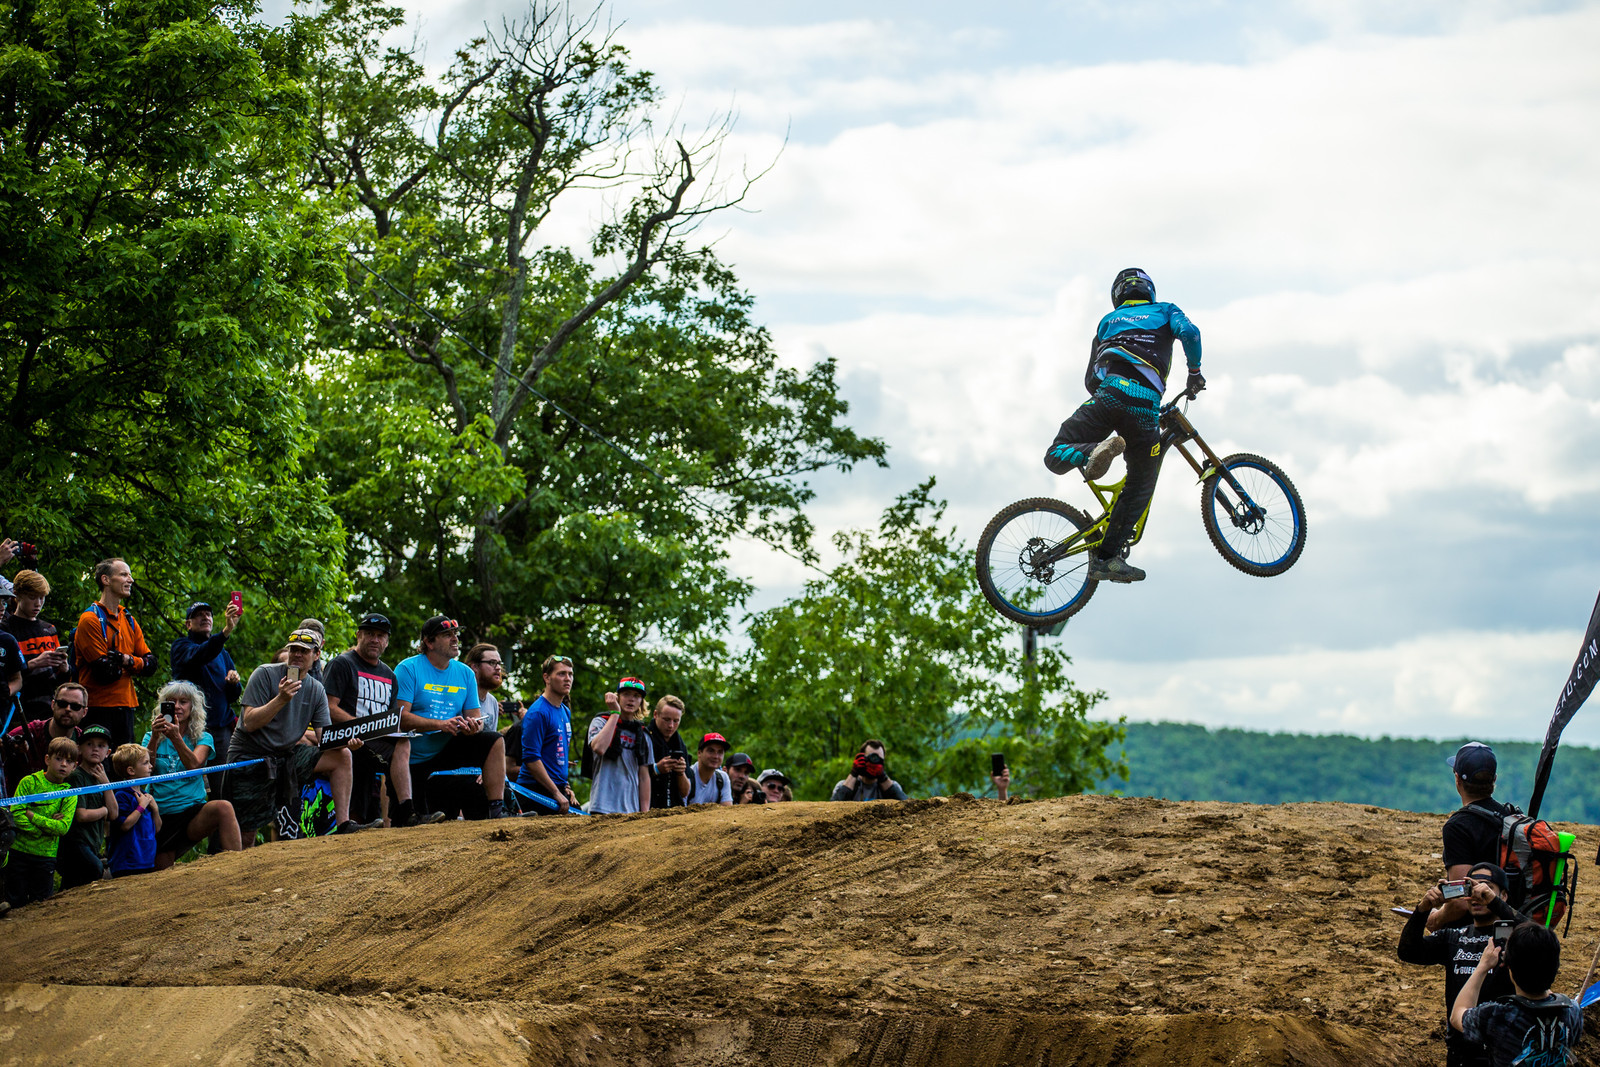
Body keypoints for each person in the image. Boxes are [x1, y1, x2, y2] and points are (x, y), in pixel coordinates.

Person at [1042, 267, 1202, 583]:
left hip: (1108, 396)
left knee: (1055, 453)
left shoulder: (1107, 321)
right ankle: (1107, 559)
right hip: (1144, 407)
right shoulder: (1165, 310)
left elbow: (1092, 379)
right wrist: (1194, 373)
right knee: (1141, 483)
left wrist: (1112, 404)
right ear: (1149, 290)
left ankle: (1092, 451)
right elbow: (1190, 333)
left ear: (1118, 296)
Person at [225, 626, 365, 841]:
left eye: (304, 651)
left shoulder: (316, 689)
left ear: (316, 655)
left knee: (342, 756)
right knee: (247, 834)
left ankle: (343, 824)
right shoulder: (264, 673)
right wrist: (281, 699)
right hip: (250, 757)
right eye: (294, 649)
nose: (298, 654)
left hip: (286, 756)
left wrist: (347, 742)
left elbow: (324, 738)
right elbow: (249, 723)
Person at [1399, 864, 1523, 1067]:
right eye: (1472, 889)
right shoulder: (1454, 936)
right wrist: (1423, 909)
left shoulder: (1516, 938)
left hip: (1503, 1050)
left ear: (1504, 895)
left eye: (1486, 888)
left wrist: (1495, 903)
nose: (1478, 895)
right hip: (1461, 1051)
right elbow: (1408, 951)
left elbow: (1542, 939)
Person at [324, 612, 436, 827]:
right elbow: (329, 708)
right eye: (369, 634)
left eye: (380, 635)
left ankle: (406, 812)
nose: (375, 639)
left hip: (375, 739)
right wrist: (362, 726)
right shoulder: (342, 664)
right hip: (343, 737)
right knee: (395, 749)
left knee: (403, 742)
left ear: (387, 641)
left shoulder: (389, 675)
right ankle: (402, 813)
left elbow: (392, 718)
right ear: (358, 635)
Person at [395, 616, 507, 820]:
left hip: (447, 748)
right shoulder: (408, 668)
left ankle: (497, 810)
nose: (455, 639)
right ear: (429, 642)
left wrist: (473, 726)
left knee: (494, 740)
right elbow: (400, 718)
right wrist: (441, 724)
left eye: (455, 634)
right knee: (409, 823)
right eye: (447, 635)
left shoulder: (465, 673)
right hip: (412, 756)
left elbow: (476, 718)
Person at [141, 680, 242, 866]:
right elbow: (145, 771)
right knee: (160, 872)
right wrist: (155, 737)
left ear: (192, 707)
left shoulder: (203, 737)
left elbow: (194, 765)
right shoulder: (150, 736)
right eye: (172, 702)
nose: (177, 706)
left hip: (192, 810)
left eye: (183, 701)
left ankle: (237, 866)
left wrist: (176, 738)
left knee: (224, 807)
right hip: (161, 814)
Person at [1452, 923, 1583, 1066]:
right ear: (1556, 965)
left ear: (1509, 966)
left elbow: (1457, 1014)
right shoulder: (1572, 1010)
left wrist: (1482, 967)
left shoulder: (1497, 1016)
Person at [71, 558, 156, 746]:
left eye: (130, 575)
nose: (131, 580)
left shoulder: (128, 619)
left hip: (126, 706)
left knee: (126, 761)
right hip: (97, 708)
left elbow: (151, 665)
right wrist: (135, 664)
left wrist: (125, 660)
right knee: (98, 761)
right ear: (106, 580)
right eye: (124, 574)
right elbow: (106, 672)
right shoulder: (90, 619)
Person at [1434, 742, 1511, 930]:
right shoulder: (1510, 817)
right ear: (1494, 780)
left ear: (1457, 779)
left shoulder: (1457, 826)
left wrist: (1434, 919)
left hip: (1476, 930)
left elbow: (1461, 900)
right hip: (1511, 921)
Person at [2, 736, 79, 912]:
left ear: (74, 766)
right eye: (58, 758)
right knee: (15, 905)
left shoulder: (70, 793)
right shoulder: (29, 782)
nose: (63, 764)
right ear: (47, 759)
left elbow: (62, 828)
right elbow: (16, 815)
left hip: (46, 857)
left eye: (69, 761)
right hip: (19, 852)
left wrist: (32, 815)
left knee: (42, 907)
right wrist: (42, 830)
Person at [169, 600, 244, 766]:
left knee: (221, 778)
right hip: (191, 729)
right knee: (191, 775)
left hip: (220, 729)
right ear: (188, 624)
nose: (205, 617)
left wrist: (233, 682)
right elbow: (201, 654)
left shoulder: (222, 653)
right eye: (198, 615)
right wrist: (226, 631)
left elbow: (233, 696)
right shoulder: (181, 646)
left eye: (208, 614)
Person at [2, 569, 69, 722]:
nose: (38, 604)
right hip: (18, 709)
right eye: (32, 597)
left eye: (42, 598)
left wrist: (64, 668)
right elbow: (3, 675)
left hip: (49, 707)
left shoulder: (49, 629)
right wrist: (34, 663)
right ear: (17, 595)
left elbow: (61, 678)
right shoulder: (5, 630)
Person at [57, 725, 118, 891]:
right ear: (79, 749)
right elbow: (81, 815)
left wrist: (106, 783)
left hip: (92, 843)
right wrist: (104, 811)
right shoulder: (76, 776)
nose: (95, 749)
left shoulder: (101, 777)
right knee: (93, 869)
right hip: (74, 843)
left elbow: (114, 814)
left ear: (108, 752)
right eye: (89, 744)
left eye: (101, 745)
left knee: (78, 884)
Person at [517, 654, 577, 814]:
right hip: (535, 791)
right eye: (561, 674)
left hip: (557, 787)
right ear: (547, 677)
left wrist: (564, 786)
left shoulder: (565, 711)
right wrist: (556, 793)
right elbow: (531, 758)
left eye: (570, 674)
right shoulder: (538, 712)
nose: (567, 679)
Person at [585, 678, 653, 815]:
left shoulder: (644, 734)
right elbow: (599, 748)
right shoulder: (600, 722)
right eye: (626, 694)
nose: (631, 699)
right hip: (601, 806)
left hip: (631, 810)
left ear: (641, 702)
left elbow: (644, 777)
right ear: (617, 697)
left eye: (636, 696)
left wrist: (645, 813)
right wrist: (615, 714)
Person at [4, 680, 88, 791]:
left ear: (84, 712)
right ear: (53, 705)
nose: (68, 709)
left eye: (75, 706)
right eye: (62, 704)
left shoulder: (86, 743)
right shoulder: (28, 732)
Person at [107, 743, 160, 878]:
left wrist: (155, 809)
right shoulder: (121, 795)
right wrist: (141, 807)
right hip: (127, 863)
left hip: (147, 859)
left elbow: (157, 828)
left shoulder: (145, 795)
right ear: (131, 770)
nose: (151, 766)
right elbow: (125, 825)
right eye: (146, 763)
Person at [643, 694, 692, 810]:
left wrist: (681, 773)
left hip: (674, 811)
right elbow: (630, 778)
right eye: (667, 719)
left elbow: (685, 792)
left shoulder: (680, 744)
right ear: (655, 714)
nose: (671, 726)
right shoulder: (644, 737)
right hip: (647, 809)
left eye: (676, 721)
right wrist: (656, 769)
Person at [831, 740, 909, 802]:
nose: (875, 762)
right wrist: (854, 773)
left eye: (879, 760)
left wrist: (883, 777)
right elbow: (833, 808)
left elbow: (906, 806)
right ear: (861, 759)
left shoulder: (893, 786)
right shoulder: (842, 785)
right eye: (872, 758)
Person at [464, 643, 504, 736]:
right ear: (475, 667)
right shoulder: (461, 696)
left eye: (499, 663)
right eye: (492, 663)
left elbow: (492, 738)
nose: (498, 668)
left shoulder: (493, 702)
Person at [686, 733, 734, 806]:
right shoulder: (687, 776)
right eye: (711, 751)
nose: (716, 756)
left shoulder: (722, 778)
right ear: (699, 753)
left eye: (720, 752)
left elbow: (727, 810)